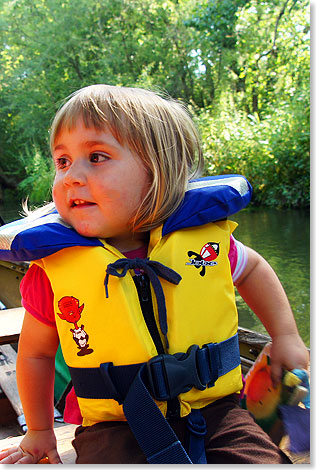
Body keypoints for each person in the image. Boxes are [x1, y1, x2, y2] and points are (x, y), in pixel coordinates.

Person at [0, 84, 308, 464]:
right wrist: (41, 431)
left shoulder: (203, 244)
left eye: (96, 156)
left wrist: (286, 336)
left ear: (158, 170)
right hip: (114, 427)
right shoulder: (55, 270)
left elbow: (254, 268)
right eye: (62, 161)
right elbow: (35, 355)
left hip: (216, 412)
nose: (71, 176)